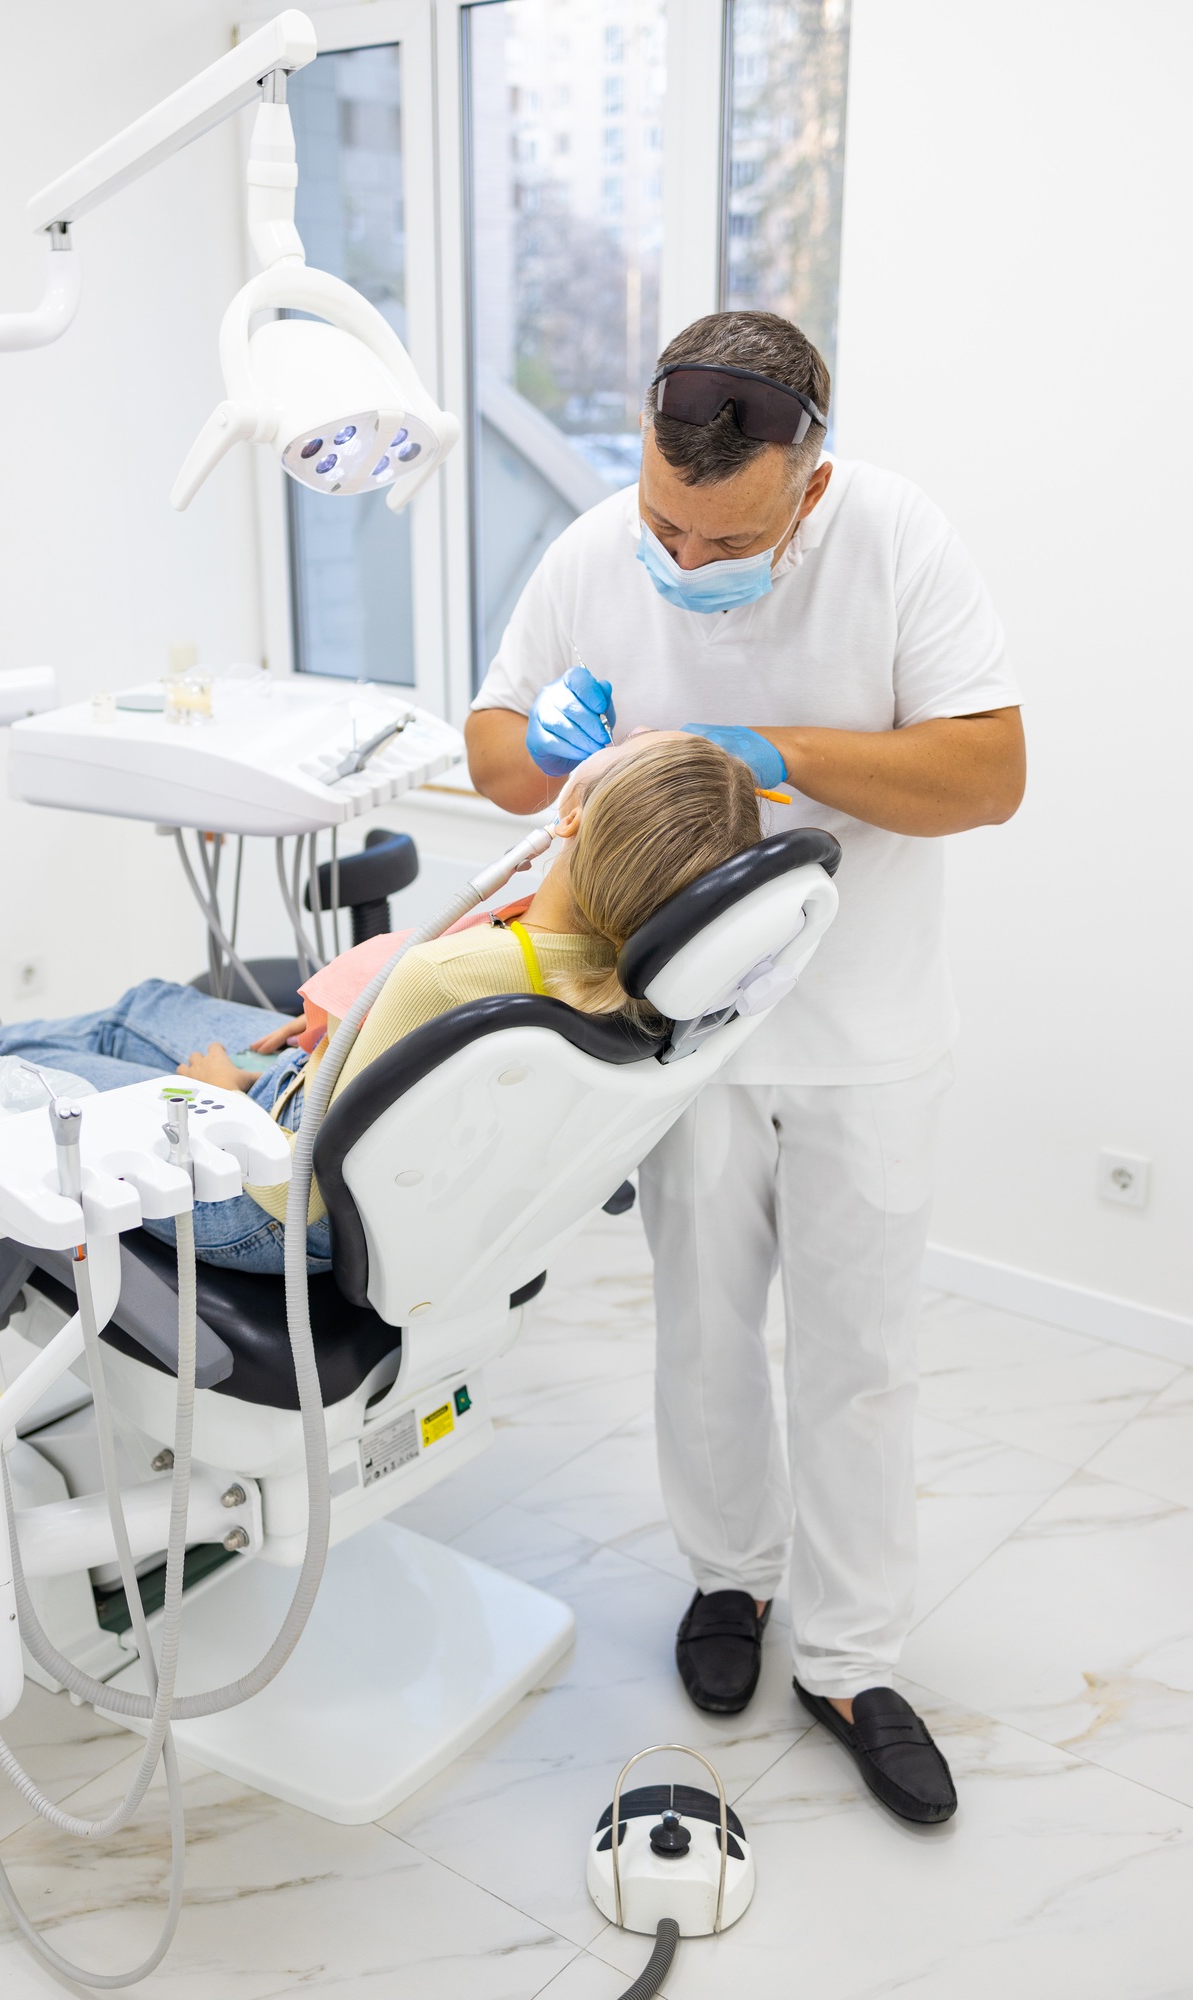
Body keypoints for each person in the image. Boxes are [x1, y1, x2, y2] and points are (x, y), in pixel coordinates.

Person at [465, 309, 1026, 1828]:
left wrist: (776, 749)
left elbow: (989, 773)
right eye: (664, 523)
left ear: (810, 482)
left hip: (868, 1040)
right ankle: (732, 1582)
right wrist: (541, 739)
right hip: (684, 1038)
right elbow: (495, 750)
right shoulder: (600, 547)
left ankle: (851, 1660)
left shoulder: (899, 538)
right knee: (703, 1338)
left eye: (722, 540)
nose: (683, 563)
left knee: (857, 1360)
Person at [0, 729, 761, 1274]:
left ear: (575, 816)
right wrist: (335, 1026)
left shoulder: (457, 983)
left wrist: (219, 1099)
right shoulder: (627, 984)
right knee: (148, 1004)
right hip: (346, 1129)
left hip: (272, 1201)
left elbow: (296, 1184)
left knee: (34, 1084)